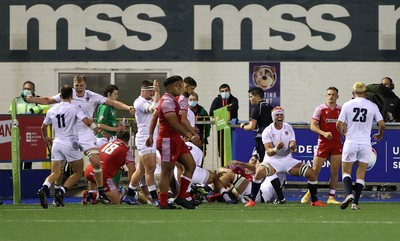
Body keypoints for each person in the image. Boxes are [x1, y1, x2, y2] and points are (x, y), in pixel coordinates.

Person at [27, 74, 135, 203]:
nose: (79, 88)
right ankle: (57, 195)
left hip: (85, 133)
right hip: (69, 134)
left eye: (81, 85)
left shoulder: (91, 96)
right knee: (60, 168)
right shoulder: (69, 95)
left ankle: (99, 192)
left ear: (85, 86)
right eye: (76, 85)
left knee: (96, 161)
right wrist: (32, 99)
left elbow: (112, 103)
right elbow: (48, 100)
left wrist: (128, 107)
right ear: (73, 86)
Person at [245, 106, 325, 207]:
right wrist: (276, 148)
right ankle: (252, 200)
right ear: (273, 117)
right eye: (277, 115)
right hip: (272, 160)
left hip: (287, 160)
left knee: (312, 173)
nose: (279, 117)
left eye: (281, 114)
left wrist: (293, 148)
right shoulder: (267, 131)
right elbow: (269, 152)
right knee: (259, 171)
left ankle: (314, 201)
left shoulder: (288, 127)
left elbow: (293, 148)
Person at [37, 85, 101, 208]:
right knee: (77, 172)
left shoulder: (52, 109)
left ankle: (44, 188)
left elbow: (43, 127)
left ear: (60, 96)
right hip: (70, 143)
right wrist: (97, 129)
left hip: (57, 143)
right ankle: (61, 192)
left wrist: (45, 138)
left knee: (56, 172)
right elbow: (87, 122)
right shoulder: (74, 108)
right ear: (71, 96)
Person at [146, 75, 198, 209]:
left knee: (190, 165)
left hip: (176, 139)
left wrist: (150, 134)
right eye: (178, 85)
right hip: (168, 140)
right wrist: (189, 135)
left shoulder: (172, 99)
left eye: (181, 84)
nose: (181, 87)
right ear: (169, 88)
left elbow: (154, 117)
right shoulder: (168, 101)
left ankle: (181, 197)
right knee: (166, 172)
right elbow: (174, 123)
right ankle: (163, 202)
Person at [336, 82, 385, 210]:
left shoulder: (347, 105)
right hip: (365, 143)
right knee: (361, 173)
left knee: (346, 171)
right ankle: (355, 203)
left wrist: (344, 133)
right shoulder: (372, 106)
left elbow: (338, 124)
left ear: (353, 93)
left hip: (351, 141)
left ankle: (348, 194)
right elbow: (382, 124)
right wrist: (379, 134)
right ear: (366, 93)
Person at [301, 87, 342, 205]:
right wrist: (324, 133)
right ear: (326, 95)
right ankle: (310, 192)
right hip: (323, 144)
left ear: (337, 96)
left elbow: (344, 125)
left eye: (333, 94)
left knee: (335, 171)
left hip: (336, 144)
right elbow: (313, 126)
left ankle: (331, 197)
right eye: (329, 94)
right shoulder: (320, 109)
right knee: (314, 171)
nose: (331, 97)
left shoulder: (341, 109)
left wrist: (345, 131)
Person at [123, 79, 160, 206]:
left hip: (150, 136)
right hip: (146, 138)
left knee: (141, 170)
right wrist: (157, 93)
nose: (152, 93)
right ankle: (155, 199)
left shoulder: (148, 100)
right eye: (151, 90)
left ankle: (128, 195)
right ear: (144, 90)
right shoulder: (139, 102)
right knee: (151, 169)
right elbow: (153, 109)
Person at [84, 130, 136, 204]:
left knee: (94, 175)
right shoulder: (125, 150)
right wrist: (131, 188)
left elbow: (103, 158)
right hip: (103, 175)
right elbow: (132, 169)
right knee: (116, 201)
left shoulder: (107, 144)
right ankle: (95, 196)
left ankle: (93, 193)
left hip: (89, 170)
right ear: (127, 140)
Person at [9, 81, 50, 169]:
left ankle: (27, 174)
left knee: (29, 155)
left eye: (29, 89)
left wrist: (33, 110)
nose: (26, 90)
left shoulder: (37, 99)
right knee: (19, 155)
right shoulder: (17, 100)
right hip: (19, 130)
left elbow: (47, 106)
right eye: (25, 89)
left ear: (33, 90)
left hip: (31, 130)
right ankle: (18, 174)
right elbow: (10, 112)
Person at [240, 87, 273, 162]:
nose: (249, 99)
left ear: (257, 97)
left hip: (261, 139)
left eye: (251, 97)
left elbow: (251, 126)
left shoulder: (256, 108)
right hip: (271, 139)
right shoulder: (270, 107)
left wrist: (243, 126)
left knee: (262, 163)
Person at [209, 84, 239, 165]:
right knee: (221, 150)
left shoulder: (234, 100)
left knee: (232, 149)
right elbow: (211, 112)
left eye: (226, 90)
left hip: (232, 129)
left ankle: (232, 169)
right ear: (220, 92)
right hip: (221, 128)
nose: (224, 92)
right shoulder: (217, 100)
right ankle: (223, 168)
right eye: (222, 91)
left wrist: (219, 111)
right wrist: (226, 108)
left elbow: (233, 108)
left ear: (229, 91)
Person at [188, 92, 211, 160]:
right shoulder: (185, 111)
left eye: (194, 100)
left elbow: (208, 125)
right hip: (188, 138)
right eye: (190, 100)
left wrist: (205, 136)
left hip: (200, 137)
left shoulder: (202, 111)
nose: (192, 101)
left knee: (201, 155)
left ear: (197, 100)